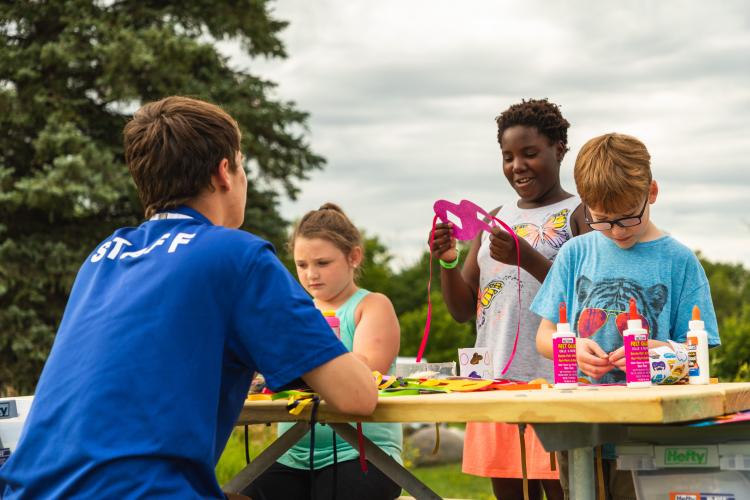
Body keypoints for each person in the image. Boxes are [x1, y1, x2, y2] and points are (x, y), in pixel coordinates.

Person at [0, 96, 378, 499]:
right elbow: (356, 395)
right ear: (224, 173)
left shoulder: (104, 255)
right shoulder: (237, 254)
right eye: (242, 164)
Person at [533, 132, 720, 498]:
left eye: (626, 219)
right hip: (581, 428)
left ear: (651, 193)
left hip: (648, 433)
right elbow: (544, 335)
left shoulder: (679, 261)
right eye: (601, 220)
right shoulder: (575, 254)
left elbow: (700, 349)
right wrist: (567, 348)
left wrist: (663, 353)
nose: (616, 231)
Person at [430, 99, 587, 500]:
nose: (517, 166)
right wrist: (448, 262)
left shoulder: (580, 214)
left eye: (530, 153)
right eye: (508, 156)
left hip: (556, 389)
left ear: (559, 149)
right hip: (496, 385)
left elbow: (588, 301)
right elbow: (463, 310)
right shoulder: (494, 218)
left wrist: (527, 258)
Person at [247, 203, 402, 500]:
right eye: (301, 265)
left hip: (361, 452)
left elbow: (367, 369)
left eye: (322, 263)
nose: (310, 275)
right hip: (291, 453)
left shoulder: (371, 305)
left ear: (353, 257)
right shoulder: (295, 311)